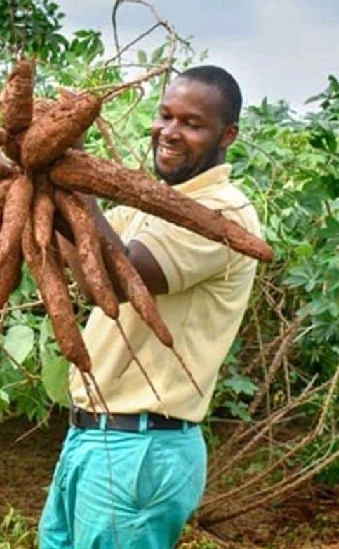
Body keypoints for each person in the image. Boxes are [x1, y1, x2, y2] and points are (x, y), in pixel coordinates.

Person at [38, 65, 262, 549]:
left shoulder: (220, 214)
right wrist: (36, 175)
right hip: (92, 437)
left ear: (229, 135)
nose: (169, 132)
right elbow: (84, 257)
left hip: (141, 448)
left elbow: (119, 279)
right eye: (165, 115)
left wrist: (72, 176)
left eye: (191, 123)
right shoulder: (150, 201)